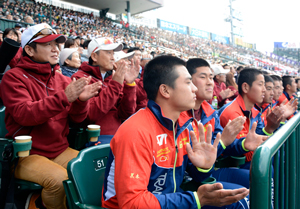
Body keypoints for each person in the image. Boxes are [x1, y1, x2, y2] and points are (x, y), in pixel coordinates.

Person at [102, 55, 249, 209]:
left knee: (241, 202)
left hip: (169, 202)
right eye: (188, 82)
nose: (194, 88)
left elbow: (196, 177)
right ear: (165, 90)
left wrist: (203, 167)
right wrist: (195, 199)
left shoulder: (184, 126)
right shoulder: (136, 131)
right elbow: (132, 203)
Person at [0, 23, 101, 209]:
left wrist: (80, 101)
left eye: (57, 44)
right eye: (48, 44)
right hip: (26, 155)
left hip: (59, 150)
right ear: (29, 49)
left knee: (89, 171)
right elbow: (25, 114)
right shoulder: (13, 77)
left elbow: (77, 119)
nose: (55, 49)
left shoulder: (62, 79)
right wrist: (64, 97)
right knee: (58, 180)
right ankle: (34, 203)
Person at [185, 58, 250, 188]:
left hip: (209, 172)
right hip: (192, 180)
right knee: (242, 199)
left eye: (211, 77)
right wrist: (223, 141)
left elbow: (223, 148)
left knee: (259, 178)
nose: (210, 83)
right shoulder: (180, 115)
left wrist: (244, 144)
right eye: (203, 77)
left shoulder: (210, 112)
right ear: (188, 82)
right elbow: (194, 163)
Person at [218, 68, 284, 169]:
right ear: (245, 87)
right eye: (260, 84)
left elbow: (257, 137)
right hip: (230, 166)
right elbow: (244, 153)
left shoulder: (254, 111)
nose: (264, 90)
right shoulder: (233, 112)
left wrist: (269, 128)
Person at [72, 38, 139, 136]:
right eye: (108, 53)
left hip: (116, 136)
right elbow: (91, 114)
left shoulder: (112, 78)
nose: (113, 58)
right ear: (94, 56)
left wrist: (129, 84)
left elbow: (126, 113)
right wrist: (115, 84)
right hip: (93, 140)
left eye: (113, 53)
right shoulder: (80, 77)